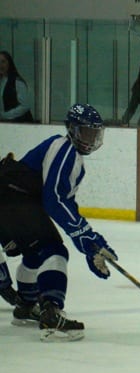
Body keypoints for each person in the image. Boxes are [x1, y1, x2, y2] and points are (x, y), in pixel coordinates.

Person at [0, 103, 117, 341]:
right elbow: (54, 199)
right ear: (72, 129)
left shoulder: (68, 155)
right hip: (14, 201)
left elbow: (64, 204)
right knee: (54, 252)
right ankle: (51, 313)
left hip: (9, 200)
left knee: (35, 255)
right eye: (86, 132)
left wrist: (88, 241)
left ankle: (26, 304)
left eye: (95, 134)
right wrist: (86, 238)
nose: (90, 139)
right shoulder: (65, 149)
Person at [0, 50, 34, 123]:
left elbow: (25, 106)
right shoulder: (1, 81)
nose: (0, 65)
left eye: (3, 61)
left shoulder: (17, 82)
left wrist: (5, 115)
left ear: (9, 63)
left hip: (20, 123)